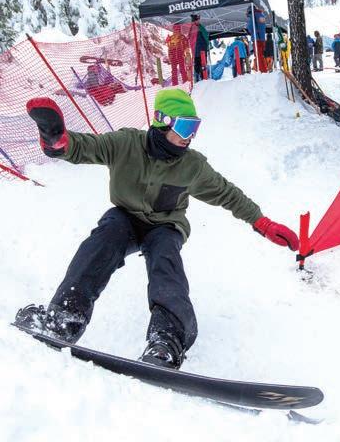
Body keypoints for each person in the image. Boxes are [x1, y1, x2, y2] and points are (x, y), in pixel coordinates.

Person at [16, 89, 300, 369]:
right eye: (185, 127)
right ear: (163, 122)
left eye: (195, 128)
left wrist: (261, 222)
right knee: (102, 242)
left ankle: (167, 341)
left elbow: (227, 193)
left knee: (165, 258)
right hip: (125, 217)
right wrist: (57, 140)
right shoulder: (126, 144)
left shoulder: (192, 166)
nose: (190, 136)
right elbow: (83, 147)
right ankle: (63, 319)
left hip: (165, 224)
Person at [246, 5, 267, 73]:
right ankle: (264, 70)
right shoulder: (261, 14)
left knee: (258, 56)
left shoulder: (252, 15)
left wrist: (249, 30)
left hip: (256, 38)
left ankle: (262, 71)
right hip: (262, 38)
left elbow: (250, 27)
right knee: (262, 55)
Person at [189, 14, 209, 82]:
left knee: (200, 66)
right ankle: (201, 79)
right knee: (201, 65)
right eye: (197, 20)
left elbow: (206, 36)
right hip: (199, 51)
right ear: (194, 21)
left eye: (198, 20)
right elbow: (206, 37)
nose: (198, 21)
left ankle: (201, 79)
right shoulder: (197, 28)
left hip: (199, 51)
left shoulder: (194, 28)